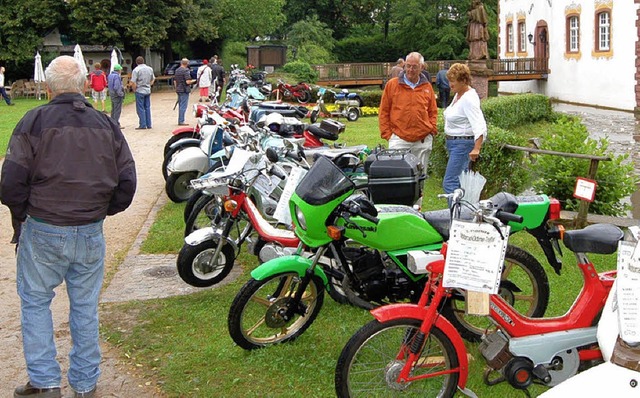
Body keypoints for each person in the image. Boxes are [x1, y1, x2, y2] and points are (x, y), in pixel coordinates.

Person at [0, 55, 136, 398]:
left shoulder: (34, 121)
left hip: (46, 225)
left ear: (48, 89)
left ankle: (46, 381)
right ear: (86, 86)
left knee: (35, 301)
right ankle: (84, 383)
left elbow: (10, 182)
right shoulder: (105, 125)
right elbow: (127, 183)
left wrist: (26, 212)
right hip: (86, 227)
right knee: (84, 306)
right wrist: (99, 211)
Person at [379, 51, 438, 178]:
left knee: (420, 179)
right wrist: (388, 135)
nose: (410, 69)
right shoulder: (392, 85)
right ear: (404, 65)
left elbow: (433, 111)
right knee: (397, 177)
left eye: (414, 66)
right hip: (399, 138)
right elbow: (384, 111)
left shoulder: (427, 86)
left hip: (422, 140)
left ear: (421, 67)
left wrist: (431, 129)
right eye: (408, 66)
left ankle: (418, 199)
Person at [442, 63, 487, 194]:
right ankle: (463, 212)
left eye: (453, 81)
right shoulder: (459, 95)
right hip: (455, 143)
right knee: (461, 183)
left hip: (462, 144)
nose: (450, 85)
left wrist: (477, 148)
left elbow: (479, 124)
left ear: (463, 81)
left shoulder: (469, 98)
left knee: (450, 183)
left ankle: (457, 214)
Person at [130, 56, 155, 129]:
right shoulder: (150, 69)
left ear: (136, 62)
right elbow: (153, 78)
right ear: (143, 61)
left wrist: (134, 89)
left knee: (140, 108)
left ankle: (142, 124)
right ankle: (149, 124)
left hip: (140, 90)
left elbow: (133, 82)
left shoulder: (136, 70)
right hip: (147, 89)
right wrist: (149, 85)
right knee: (147, 107)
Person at [174, 58, 195, 126]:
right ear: (187, 64)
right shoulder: (186, 70)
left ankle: (180, 119)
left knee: (180, 105)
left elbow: (175, 81)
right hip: (184, 89)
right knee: (183, 106)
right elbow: (187, 81)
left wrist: (176, 88)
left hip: (178, 89)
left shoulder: (177, 70)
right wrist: (194, 81)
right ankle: (181, 120)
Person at [108, 63, 125, 128]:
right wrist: (121, 94)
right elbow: (116, 86)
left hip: (112, 94)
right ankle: (116, 124)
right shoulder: (117, 76)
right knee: (117, 110)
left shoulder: (110, 75)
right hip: (116, 95)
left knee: (113, 109)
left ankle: (112, 123)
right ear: (119, 70)